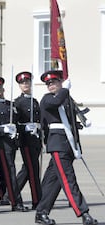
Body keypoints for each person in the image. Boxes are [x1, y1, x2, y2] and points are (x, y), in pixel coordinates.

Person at [35, 70, 98, 225]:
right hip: (58, 145)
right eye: (48, 83)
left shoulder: (66, 99)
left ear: (60, 81)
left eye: (54, 82)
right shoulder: (47, 99)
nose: (51, 85)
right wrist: (65, 90)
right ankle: (83, 213)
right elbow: (54, 107)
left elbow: (70, 119)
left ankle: (41, 213)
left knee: (53, 181)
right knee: (69, 179)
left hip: (68, 145)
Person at [0, 77, 28, 212]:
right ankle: (16, 202)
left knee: (3, 172)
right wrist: (3, 129)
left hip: (11, 143)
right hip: (0, 144)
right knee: (10, 170)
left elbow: (18, 121)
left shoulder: (11, 105)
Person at [13, 71, 42, 209]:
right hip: (26, 140)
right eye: (23, 82)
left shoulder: (34, 101)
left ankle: (10, 194)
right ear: (19, 85)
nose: (26, 84)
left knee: (31, 169)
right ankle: (37, 200)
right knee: (32, 170)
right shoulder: (17, 103)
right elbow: (14, 123)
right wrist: (25, 129)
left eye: (27, 81)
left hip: (36, 140)